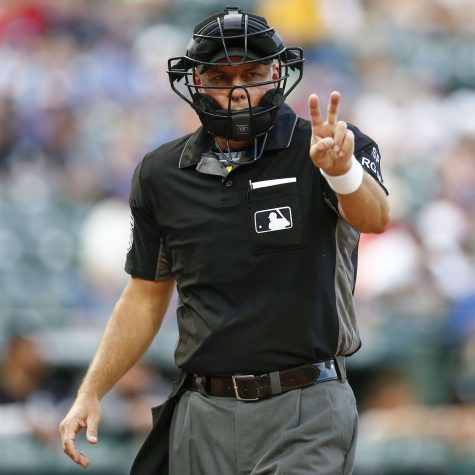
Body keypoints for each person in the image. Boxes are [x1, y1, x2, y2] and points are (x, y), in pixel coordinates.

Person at [59, 5, 390, 474]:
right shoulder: (159, 175)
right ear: (196, 83)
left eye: (252, 73)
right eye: (219, 76)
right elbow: (145, 293)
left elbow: (375, 217)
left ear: (276, 75)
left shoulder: (332, 145)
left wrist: (342, 173)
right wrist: (91, 389)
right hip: (203, 410)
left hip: (306, 408)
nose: (237, 91)